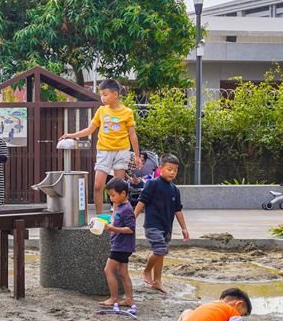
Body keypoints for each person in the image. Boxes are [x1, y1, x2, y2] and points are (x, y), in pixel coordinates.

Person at [60, 78, 142, 217]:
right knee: (98, 186)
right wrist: (72, 135)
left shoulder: (127, 112)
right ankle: (99, 218)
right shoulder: (101, 111)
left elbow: (132, 135)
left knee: (118, 187)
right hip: (104, 151)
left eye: (105, 94)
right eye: (101, 95)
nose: (102, 98)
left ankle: (116, 217)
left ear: (115, 94)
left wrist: (137, 156)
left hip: (122, 151)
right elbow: (90, 129)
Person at [134, 154, 189, 294]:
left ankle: (157, 281)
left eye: (175, 170)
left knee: (161, 252)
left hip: (166, 227)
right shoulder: (152, 183)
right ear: (160, 168)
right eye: (169, 169)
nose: (172, 173)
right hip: (152, 225)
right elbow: (142, 201)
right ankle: (147, 270)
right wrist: (132, 218)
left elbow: (178, 209)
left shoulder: (175, 189)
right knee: (160, 250)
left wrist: (184, 228)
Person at [100, 178, 135, 308]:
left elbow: (131, 229)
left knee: (108, 270)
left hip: (121, 246)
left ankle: (114, 298)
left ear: (123, 193)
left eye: (113, 195)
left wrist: (112, 228)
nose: (111, 198)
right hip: (122, 245)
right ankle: (129, 299)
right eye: (109, 196)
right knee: (123, 273)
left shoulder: (126, 209)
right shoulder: (121, 207)